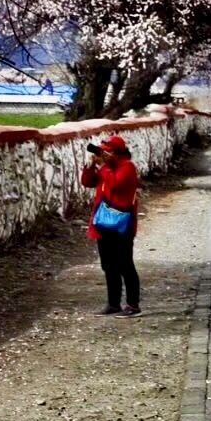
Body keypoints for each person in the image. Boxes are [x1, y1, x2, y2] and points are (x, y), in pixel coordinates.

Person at [81, 134, 141, 316]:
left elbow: (115, 184)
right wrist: (91, 166)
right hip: (104, 223)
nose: (103, 155)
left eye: (107, 152)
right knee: (108, 265)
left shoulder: (127, 167)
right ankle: (113, 303)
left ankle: (133, 305)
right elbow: (87, 182)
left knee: (125, 264)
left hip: (122, 224)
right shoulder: (106, 167)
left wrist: (104, 167)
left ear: (116, 153)